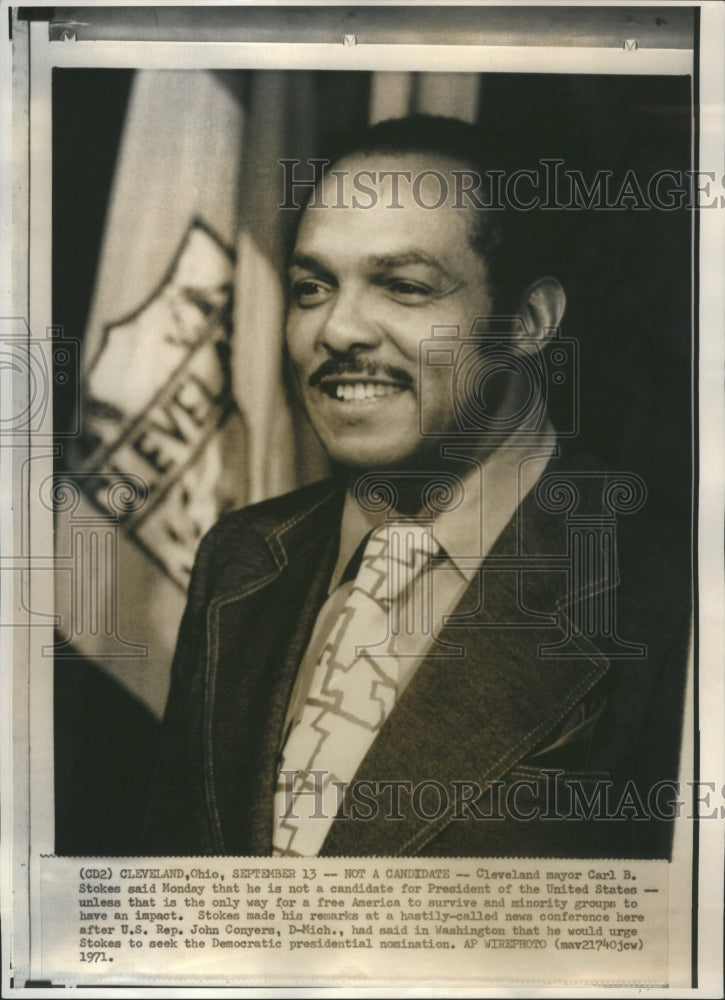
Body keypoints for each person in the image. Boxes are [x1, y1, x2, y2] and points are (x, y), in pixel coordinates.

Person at [145, 115, 690, 858]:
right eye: (311, 288)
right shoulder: (239, 559)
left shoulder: (669, 595)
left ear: (527, 322)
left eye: (402, 286)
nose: (336, 331)